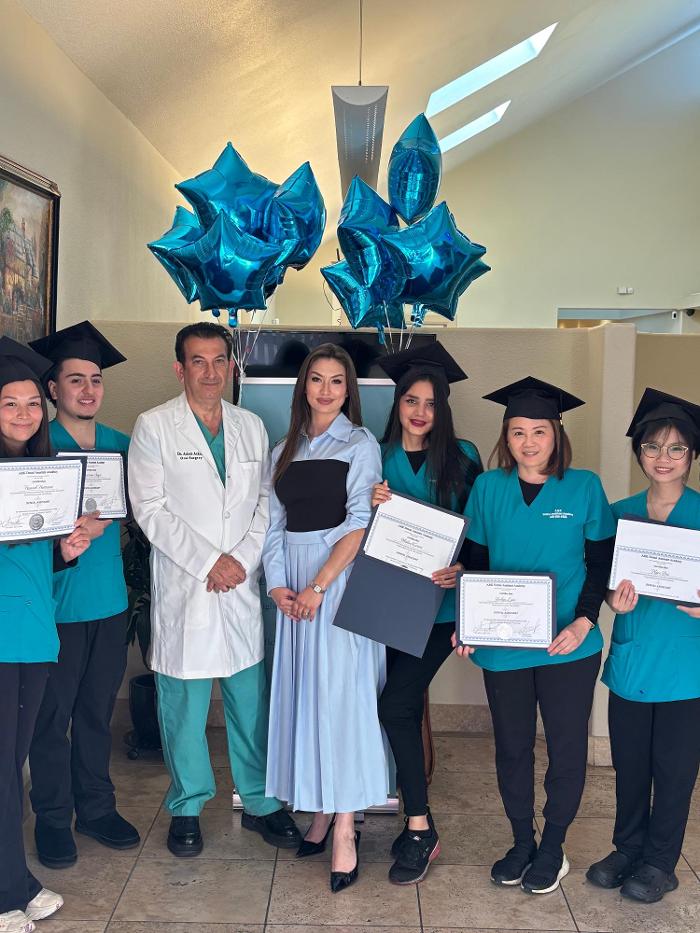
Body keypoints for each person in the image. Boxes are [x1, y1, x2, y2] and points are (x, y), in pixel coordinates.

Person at [128, 322, 299, 857]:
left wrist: (240, 562)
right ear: (179, 368)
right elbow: (150, 510)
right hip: (189, 585)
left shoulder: (251, 426)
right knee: (184, 707)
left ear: (231, 366)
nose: (209, 372)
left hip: (239, 586)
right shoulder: (155, 426)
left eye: (219, 360)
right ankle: (188, 805)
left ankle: (261, 802)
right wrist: (210, 562)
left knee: (250, 704)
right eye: (197, 361)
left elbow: (267, 503)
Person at [455, 377, 615, 894]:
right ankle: (522, 841)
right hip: (504, 646)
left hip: (568, 645)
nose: (528, 442)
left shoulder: (584, 487)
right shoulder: (488, 488)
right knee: (512, 748)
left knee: (566, 748)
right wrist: (468, 623)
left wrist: (584, 621)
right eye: (518, 431)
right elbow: (476, 562)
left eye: (539, 431)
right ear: (506, 436)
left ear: (556, 434)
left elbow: (600, 564)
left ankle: (553, 847)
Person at [262, 343, 388, 892]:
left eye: (338, 381)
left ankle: (343, 828)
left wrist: (317, 585)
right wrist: (278, 586)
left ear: (348, 389)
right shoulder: (282, 449)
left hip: (336, 580)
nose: (326, 390)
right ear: (304, 386)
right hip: (293, 582)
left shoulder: (360, 443)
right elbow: (272, 523)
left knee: (341, 701)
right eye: (317, 379)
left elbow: (359, 523)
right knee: (305, 699)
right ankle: (318, 809)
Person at [27, 322, 138, 867]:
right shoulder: (37, 446)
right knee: (52, 720)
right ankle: (53, 818)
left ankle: (96, 808)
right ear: (53, 389)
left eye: (95, 379)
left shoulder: (122, 445)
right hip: (56, 607)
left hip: (110, 603)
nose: (88, 389)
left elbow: (145, 509)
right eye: (75, 380)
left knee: (97, 713)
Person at [371, 342, 482, 885]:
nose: (420, 411)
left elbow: (482, 534)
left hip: (441, 610)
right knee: (400, 705)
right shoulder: (375, 455)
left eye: (431, 403)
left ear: (444, 409)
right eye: (411, 400)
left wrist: (462, 568)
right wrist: (367, 504)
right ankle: (409, 813)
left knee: (395, 705)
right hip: (386, 604)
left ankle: (419, 827)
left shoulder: (463, 456)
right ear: (397, 403)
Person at [587, 388, 700, 903]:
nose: (663, 458)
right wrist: (613, 599)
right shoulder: (619, 514)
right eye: (652, 446)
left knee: (674, 772)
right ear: (639, 453)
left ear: (692, 455)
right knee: (630, 767)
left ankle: (660, 862)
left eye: (676, 448)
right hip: (632, 661)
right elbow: (601, 583)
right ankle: (628, 848)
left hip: (686, 666)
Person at [0, 337, 90, 933]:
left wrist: (65, 551)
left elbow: (34, 559)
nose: (25, 414)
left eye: (33, 403)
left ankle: (15, 879)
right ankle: (7, 892)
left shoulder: (44, 472)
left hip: (33, 635)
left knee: (12, 764)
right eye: (10, 404)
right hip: (1, 636)